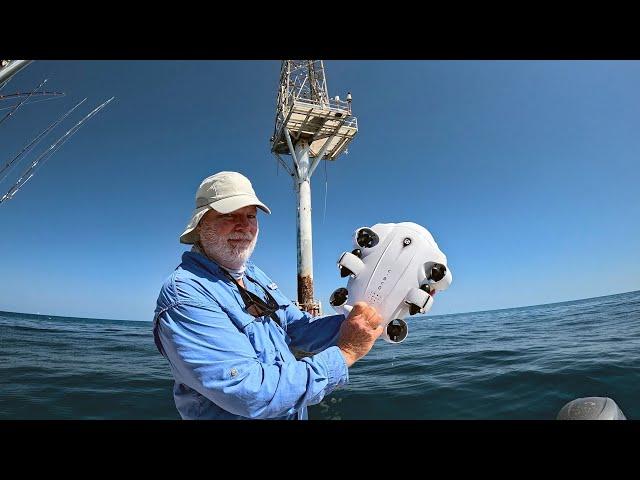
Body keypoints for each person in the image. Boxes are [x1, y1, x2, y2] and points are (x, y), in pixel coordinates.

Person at [153, 171, 383, 419]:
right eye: (229, 215)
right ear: (201, 225)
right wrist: (345, 352)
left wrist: (362, 320)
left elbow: (299, 328)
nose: (244, 225)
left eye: (250, 216)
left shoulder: (253, 275)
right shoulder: (185, 294)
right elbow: (250, 393)